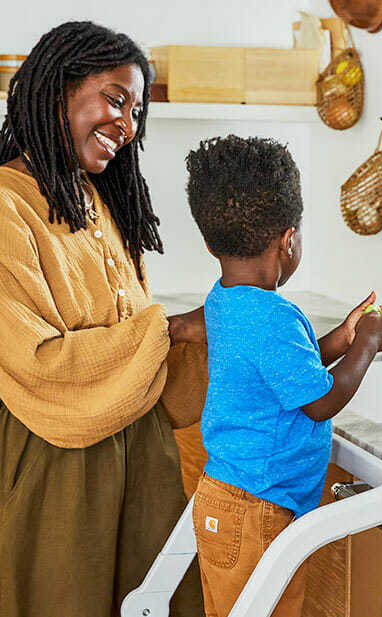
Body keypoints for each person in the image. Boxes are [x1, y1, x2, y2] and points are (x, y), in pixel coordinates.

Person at [0, 21, 207, 617]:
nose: (127, 125)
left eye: (136, 112)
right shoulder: (7, 205)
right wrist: (174, 328)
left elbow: (140, 345)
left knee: (152, 601)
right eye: (115, 99)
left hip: (138, 458)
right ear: (56, 89)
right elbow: (37, 364)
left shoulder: (94, 198)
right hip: (54, 464)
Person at [185, 135, 382, 617]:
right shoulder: (274, 315)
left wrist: (347, 335)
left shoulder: (224, 300)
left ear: (210, 241)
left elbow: (286, 370)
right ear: (288, 240)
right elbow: (319, 401)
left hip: (229, 498)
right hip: (258, 510)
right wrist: (369, 344)